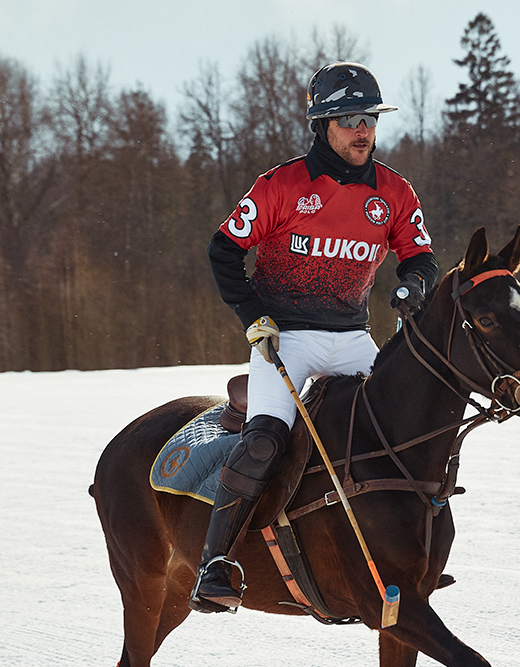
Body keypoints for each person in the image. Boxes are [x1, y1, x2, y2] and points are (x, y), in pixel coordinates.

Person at [191, 62, 439, 613]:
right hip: (288, 340)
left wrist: (414, 286)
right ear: (323, 124)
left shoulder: (393, 191)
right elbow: (224, 250)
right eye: (350, 119)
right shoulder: (281, 185)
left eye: (370, 118)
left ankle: (414, 554)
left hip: (353, 338)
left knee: (403, 431)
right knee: (264, 442)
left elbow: (421, 256)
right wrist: (253, 315)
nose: (363, 131)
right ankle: (217, 564)